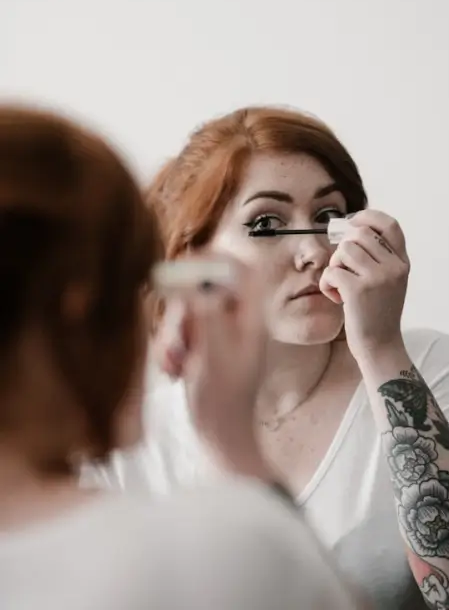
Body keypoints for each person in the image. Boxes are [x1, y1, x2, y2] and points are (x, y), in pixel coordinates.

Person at [87, 104, 449, 610]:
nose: (315, 251)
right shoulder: (131, 439)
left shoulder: (427, 363)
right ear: (192, 258)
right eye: (265, 224)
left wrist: (381, 349)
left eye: (328, 218)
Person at [0, 105, 361, 610]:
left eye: (328, 218)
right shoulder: (219, 550)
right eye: (143, 284)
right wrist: (240, 453)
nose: (313, 252)